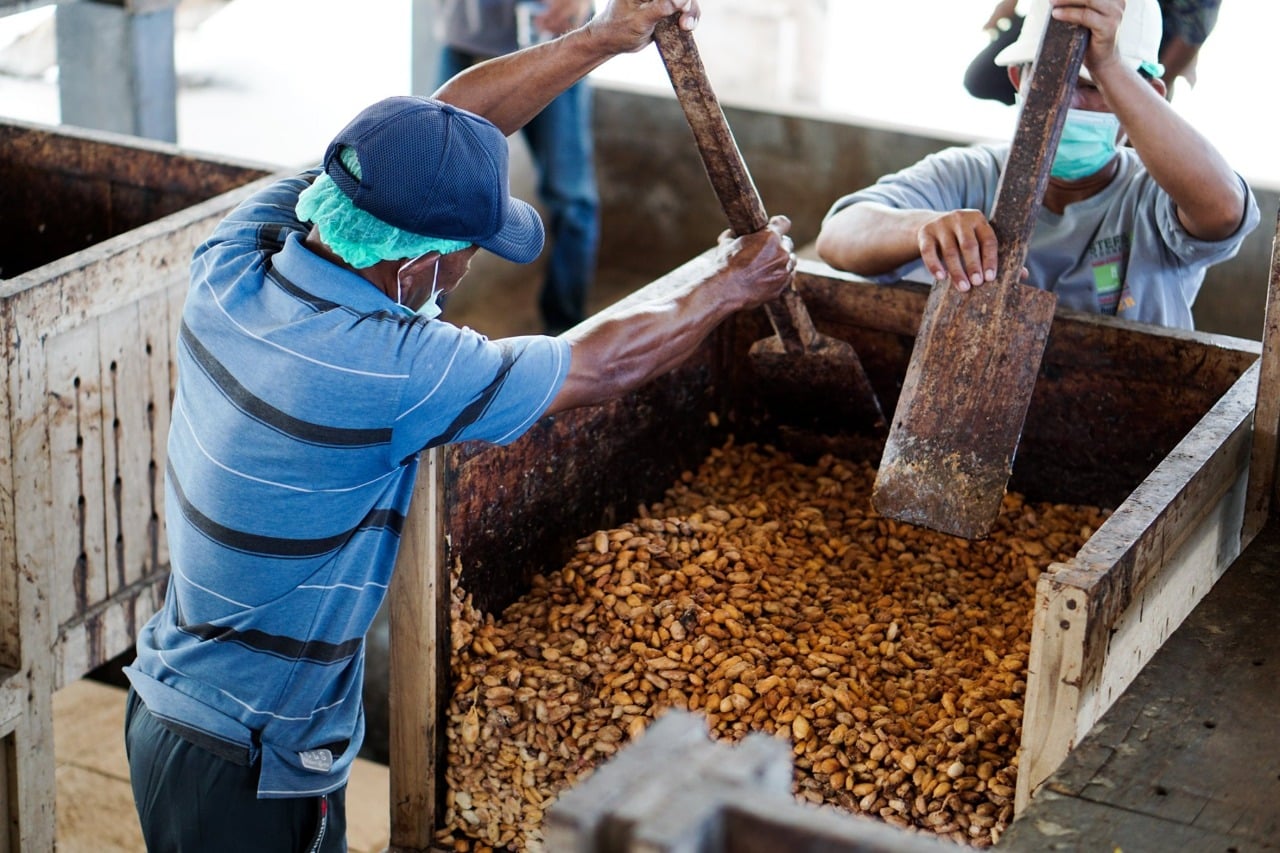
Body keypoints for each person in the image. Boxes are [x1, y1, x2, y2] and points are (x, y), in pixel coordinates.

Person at [120, 1, 797, 849]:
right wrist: (731, 288)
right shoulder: (384, 368)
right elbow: (604, 365)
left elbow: (446, 129)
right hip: (241, 762)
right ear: (411, 265)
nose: (470, 270)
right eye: (468, 252)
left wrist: (596, 39)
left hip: (178, 705)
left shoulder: (242, 250)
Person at [817, 0, 1258, 330]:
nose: (1069, 102)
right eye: (1050, 78)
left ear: (1147, 99)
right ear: (1018, 79)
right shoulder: (973, 173)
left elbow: (1222, 211)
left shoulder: (1153, 196)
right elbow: (838, 235)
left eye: (1093, 86)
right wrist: (924, 228)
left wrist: (1108, 64)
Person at [436, 0, 600, 334]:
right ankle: (418, 322)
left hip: (553, 37)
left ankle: (566, 332)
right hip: (466, 37)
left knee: (572, 200)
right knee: (435, 188)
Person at [965, 0, 1223, 101]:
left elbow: (1192, 36)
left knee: (1136, 131)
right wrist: (1007, 5)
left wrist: (1146, 98)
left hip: (1147, 39)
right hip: (1067, 15)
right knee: (981, 79)